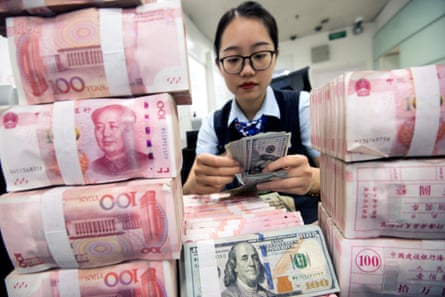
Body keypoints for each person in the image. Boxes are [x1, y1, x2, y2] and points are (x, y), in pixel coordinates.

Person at [183, 1, 321, 224]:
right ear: (219, 65)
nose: (247, 70)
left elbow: (341, 184)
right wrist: (192, 186)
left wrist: (314, 180)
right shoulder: (213, 123)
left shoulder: (303, 106)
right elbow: (191, 197)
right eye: (234, 59)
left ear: (275, 56)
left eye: (259, 56)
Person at [90, 104, 149, 176]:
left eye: (113, 126)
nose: (106, 133)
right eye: (99, 127)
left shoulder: (147, 162)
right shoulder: (93, 167)